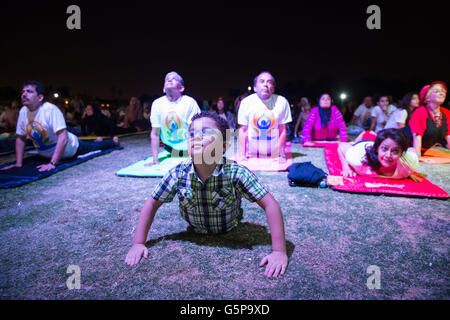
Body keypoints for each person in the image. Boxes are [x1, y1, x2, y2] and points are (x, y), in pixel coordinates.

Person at [125, 111, 288, 278]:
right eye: (191, 134)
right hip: (194, 230)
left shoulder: (236, 172)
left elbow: (270, 204)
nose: (196, 137)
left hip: (230, 226)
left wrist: (279, 251)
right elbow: (152, 203)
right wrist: (138, 243)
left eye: (205, 132)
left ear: (224, 146)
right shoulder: (178, 173)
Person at [1, 81, 120, 172]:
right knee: (93, 144)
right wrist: (18, 163)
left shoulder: (50, 110)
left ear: (40, 97)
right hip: (45, 154)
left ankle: (112, 142)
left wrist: (52, 164)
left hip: (71, 148)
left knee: (95, 147)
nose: (24, 94)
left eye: (29, 91)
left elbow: (63, 138)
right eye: (23, 92)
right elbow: (20, 138)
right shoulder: (23, 111)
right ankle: (99, 140)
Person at [147, 71, 201, 166]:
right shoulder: (157, 104)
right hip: (170, 149)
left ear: (181, 88)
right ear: (164, 89)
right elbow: (155, 133)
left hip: (189, 150)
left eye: (174, 79)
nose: (169, 79)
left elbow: (196, 131)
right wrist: (155, 159)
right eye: (167, 79)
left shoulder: (189, 102)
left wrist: (195, 157)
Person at [237, 71, 292, 162]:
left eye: (269, 82)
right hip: (252, 154)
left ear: (273, 88)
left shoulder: (282, 102)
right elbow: (243, 130)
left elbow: (282, 129)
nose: (265, 84)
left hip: (275, 153)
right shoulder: (246, 102)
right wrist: (242, 154)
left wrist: (281, 154)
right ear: (255, 88)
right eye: (262, 81)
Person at [337, 128, 419, 180]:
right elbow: (341, 146)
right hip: (364, 144)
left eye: (395, 151)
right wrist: (346, 167)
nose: (388, 155)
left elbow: (412, 149)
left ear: (402, 154)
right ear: (377, 149)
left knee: (383, 140)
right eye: (384, 149)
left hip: (379, 143)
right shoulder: (360, 159)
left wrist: (408, 171)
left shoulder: (410, 164)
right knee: (368, 134)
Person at [405, 81, 450, 156]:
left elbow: (449, 135)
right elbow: (417, 138)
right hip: (408, 146)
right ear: (427, 97)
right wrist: (418, 158)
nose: (442, 93)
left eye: (443, 91)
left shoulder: (446, 113)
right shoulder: (420, 111)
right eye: (437, 91)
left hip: (426, 150)